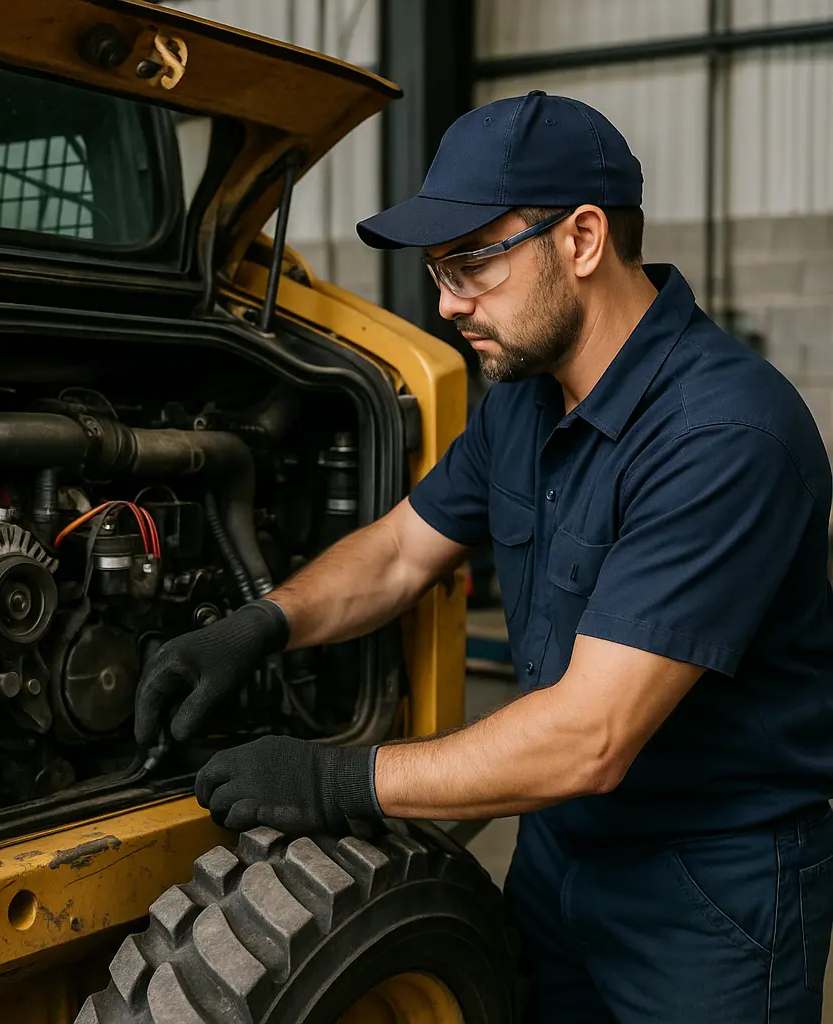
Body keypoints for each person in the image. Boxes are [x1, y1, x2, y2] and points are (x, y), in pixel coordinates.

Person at [134, 90, 833, 1022]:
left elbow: (590, 737)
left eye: (472, 265)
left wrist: (335, 779)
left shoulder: (724, 433)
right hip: (556, 852)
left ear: (582, 240)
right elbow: (396, 553)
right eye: (436, 270)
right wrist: (262, 623)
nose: (448, 303)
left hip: (705, 888)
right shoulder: (524, 399)